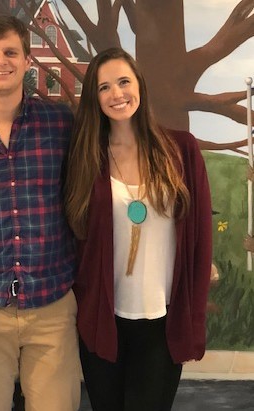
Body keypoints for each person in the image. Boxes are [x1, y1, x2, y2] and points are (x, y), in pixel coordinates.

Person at [64, 47, 212, 411]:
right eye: (104, 87)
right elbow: (76, 237)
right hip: (104, 318)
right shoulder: (86, 157)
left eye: (123, 82)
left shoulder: (181, 150)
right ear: (94, 97)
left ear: (140, 86)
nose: (116, 94)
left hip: (163, 319)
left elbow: (200, 240)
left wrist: (194, 316)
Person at [0, 15, 81, 411]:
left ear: (27, 61)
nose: (0, 61)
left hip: (51, 301)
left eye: (10, 52)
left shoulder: (60, 123)